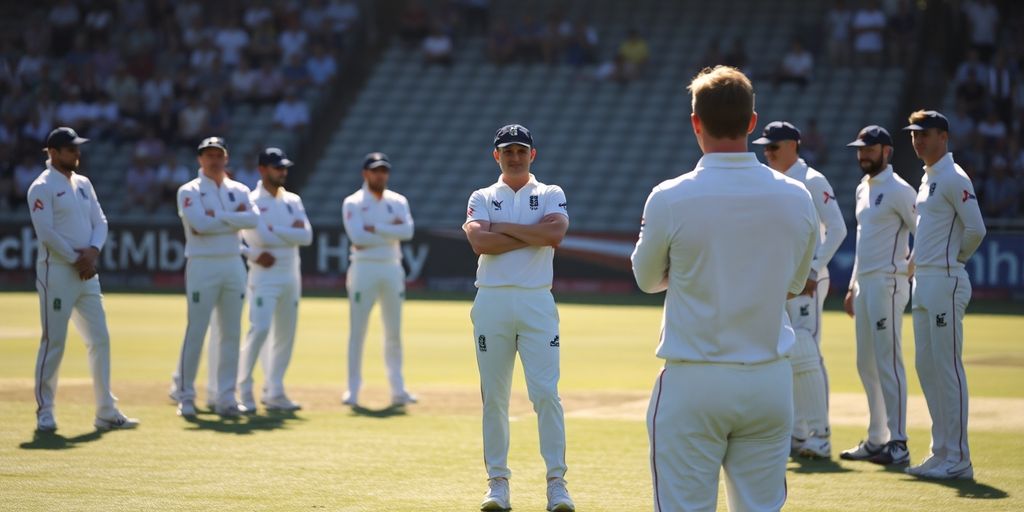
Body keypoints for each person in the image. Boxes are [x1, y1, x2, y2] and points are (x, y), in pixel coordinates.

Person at [632, 66, 817, 511]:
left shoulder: (670, 197)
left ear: (696, 122)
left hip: (694, 379)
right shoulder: (796, 196)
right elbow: (793, 285)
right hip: (770, 381)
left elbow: (645, 279)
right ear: (752, 123)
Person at [463, 124, 574, 512]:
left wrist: (502, 230)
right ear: (496, 155)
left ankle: (557, 484)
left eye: (521, 151)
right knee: (494, 397)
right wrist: (531, 232)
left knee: (546, 394)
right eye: (507, 151)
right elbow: (479, 241)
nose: (514, 157)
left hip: (536, 301)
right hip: (491, 301)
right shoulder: (482, 195)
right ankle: (497, 483)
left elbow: (555, 234)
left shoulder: (549, 193)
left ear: (532, 155)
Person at [28, 127, 139, 432]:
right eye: (70, 149)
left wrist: (93, 251)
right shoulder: (41, 187)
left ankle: (105, 410)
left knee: (99, 339)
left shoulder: (84, 183)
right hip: (58, 273)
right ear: (52, 153)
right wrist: (78, 258)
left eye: (77, 148)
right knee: (55, 342)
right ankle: (45, 411)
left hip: (87, 273)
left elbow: (100, 221)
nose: (77, 154)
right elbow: (46, 233)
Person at [753, 120, 847, 459]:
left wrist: (813, 268)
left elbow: (837, 228)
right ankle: (796, 433)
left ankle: (820, 436)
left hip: (807, 279)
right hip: (780, 278)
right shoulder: (770, 181)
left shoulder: (812, 180)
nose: (767, 152)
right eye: (765, 146)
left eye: (774, 146)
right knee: (786, 353)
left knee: (806, 352)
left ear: (794, 145)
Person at [903, 110, 986, 480]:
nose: (918, 140)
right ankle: (942, 452)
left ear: (943, 137)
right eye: (914, 135)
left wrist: (955, 259)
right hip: (925, 282)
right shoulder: (928, 179)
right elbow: (931, 230)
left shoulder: (953, 177)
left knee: (948, 369)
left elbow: (976, 228)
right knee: (927, 367)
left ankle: (960, 459)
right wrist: (917, 259)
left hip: (946, 281)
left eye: (925, 134)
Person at [840, 125, 917, 465]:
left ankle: (898, 442)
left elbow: (925, 234)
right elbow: (864, 240)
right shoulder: (863, 188)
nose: (862, 155)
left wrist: (904, 272)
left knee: (888, 362)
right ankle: (877, 439)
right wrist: (852, 284)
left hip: (888, 283)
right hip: (865, 284)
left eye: (868, 149)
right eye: (859, 149)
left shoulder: (900, 189)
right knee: (865, 363)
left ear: (886, 151)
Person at [170, 136, 258, 418]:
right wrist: (232, 219)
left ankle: (225, 397)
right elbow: (199, 225)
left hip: (233, 263)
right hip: (202, 264)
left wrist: (217, 216)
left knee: (231, 332)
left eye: (218, 154)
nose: (214, 160)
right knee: (197, 329)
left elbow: (253, 219)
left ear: (226, 157)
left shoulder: (240, 189)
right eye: (208, 155)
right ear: (200, 159)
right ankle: (185, 395)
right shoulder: (189, 191)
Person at [237, 148, 312, 413]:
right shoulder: (251, 200)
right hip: (265, 275)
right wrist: (288, 233)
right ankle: (244, 390)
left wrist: (275, 231)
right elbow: (259, 239)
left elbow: (306, 237)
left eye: (284, 167)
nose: (282, 172)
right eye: (276, 167)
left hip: (291, 272)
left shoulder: (293, 200)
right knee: (259, 329)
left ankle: (275, 390)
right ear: (262, 170)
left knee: (286, 334)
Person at [340, 152, 417, 408]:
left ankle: (398, 389)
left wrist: (375, 227)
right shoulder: (353, 202)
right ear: (365, 174)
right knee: (358, 331)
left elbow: (407, 231)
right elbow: (358, 237)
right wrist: (389, 229)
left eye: (384, 170)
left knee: (393, 331)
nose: (380, 175)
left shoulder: (398, 201)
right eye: (375, 171)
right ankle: (352, 389)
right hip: (363, 269)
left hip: (391, 268)